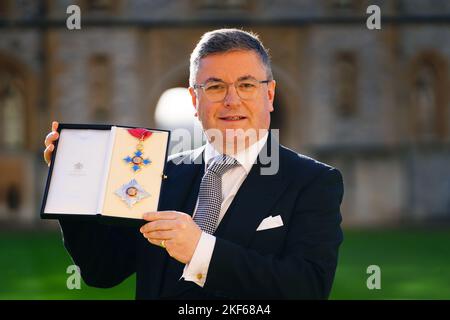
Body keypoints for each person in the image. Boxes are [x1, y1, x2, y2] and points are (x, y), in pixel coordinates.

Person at [43, 28, 344, 299]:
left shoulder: (313, 182)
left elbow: (308, 287)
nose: (231, 100)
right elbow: (103, 271)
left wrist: (200, 250)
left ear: (269, 94)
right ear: (194, 100)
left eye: (246, 85)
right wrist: (70, 180)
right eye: (214, 87)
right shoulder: (160, 173)